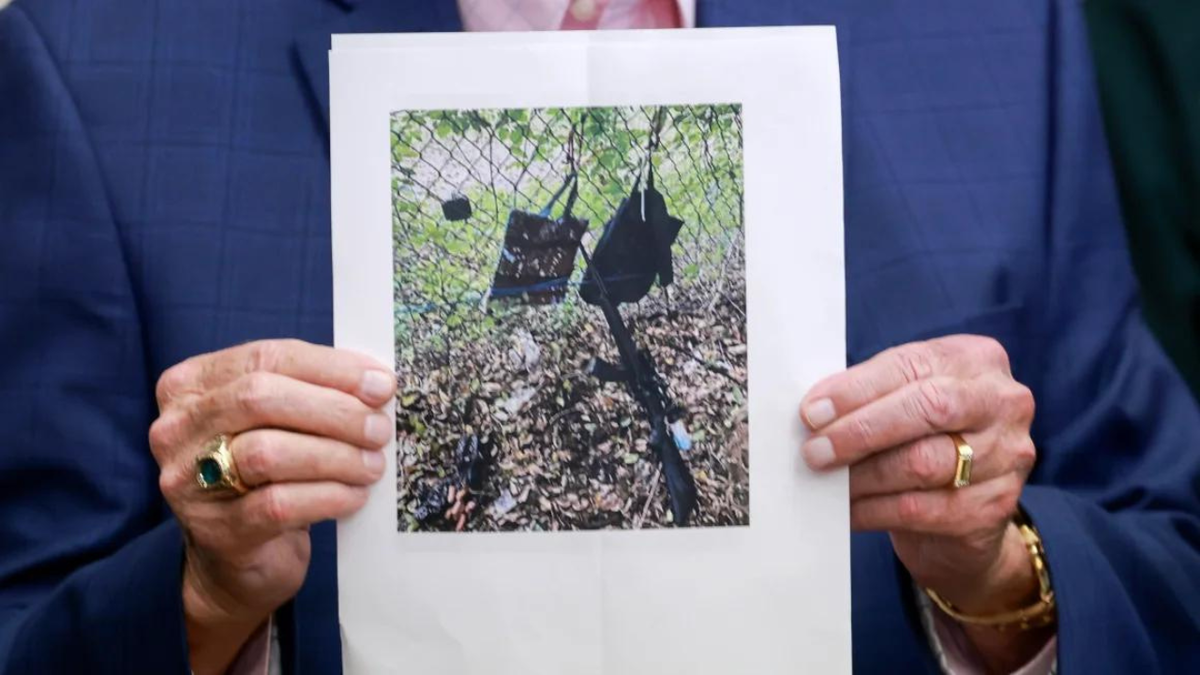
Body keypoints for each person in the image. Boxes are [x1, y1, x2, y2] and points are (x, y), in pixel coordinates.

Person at [0, 1, 1197, 674]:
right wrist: (210, 603)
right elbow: (30, 621)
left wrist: (1000, 581)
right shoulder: (101, 56)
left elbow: (1170, 556)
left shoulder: (985, 29)